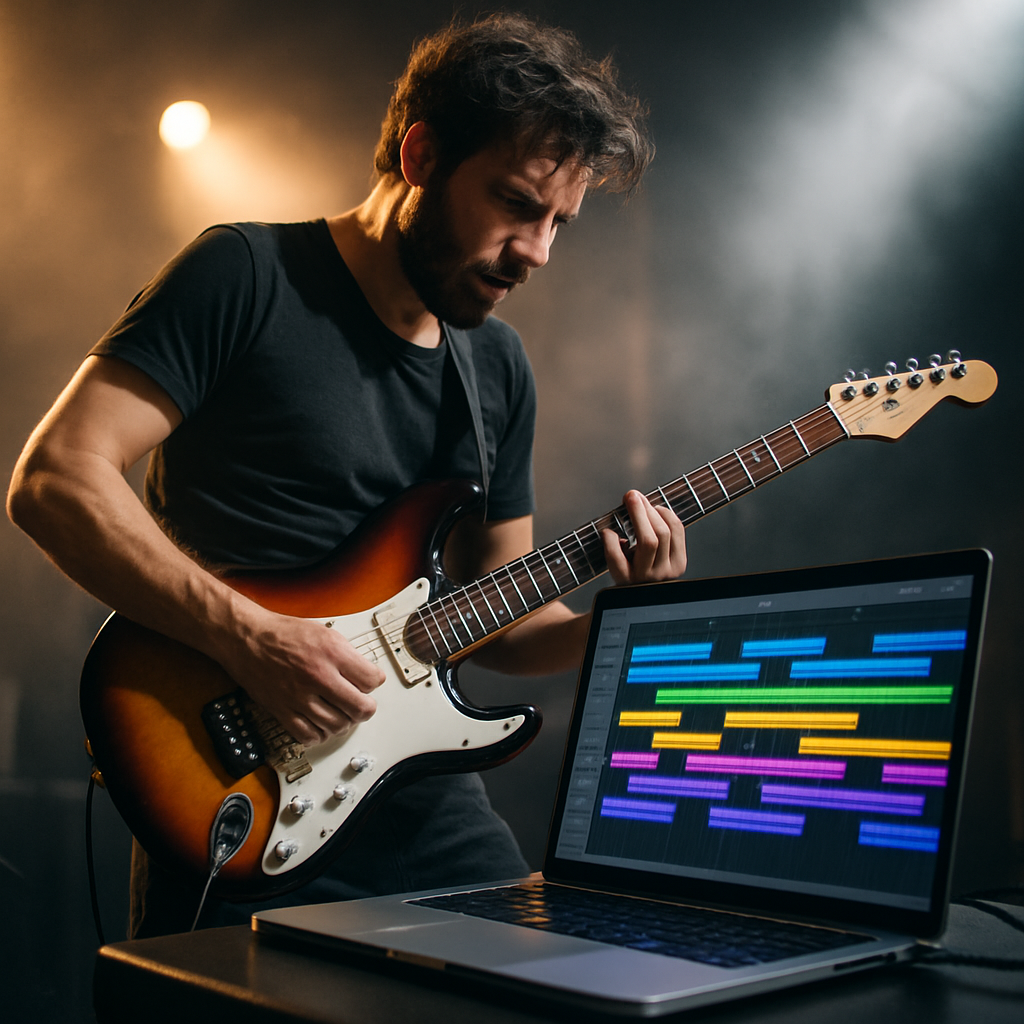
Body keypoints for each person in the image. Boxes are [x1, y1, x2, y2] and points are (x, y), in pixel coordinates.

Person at [7, 13, 686, 936]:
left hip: (414, 799)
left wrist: (622, 620)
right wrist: (255, 641)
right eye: (518, 205)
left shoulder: (495, 368)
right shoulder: (244, 275)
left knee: (563, 975)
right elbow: (55, 478)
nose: (538, 252)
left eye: (559, 222)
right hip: (232, 784)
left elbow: (498, 615)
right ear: (419, 155)